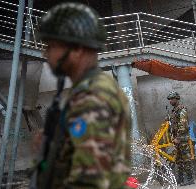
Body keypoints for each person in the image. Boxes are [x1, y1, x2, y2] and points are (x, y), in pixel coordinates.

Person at [32, 2, 132, 189]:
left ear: (77, 49)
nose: (46, 53)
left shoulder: (92, 98)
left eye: (51, 46)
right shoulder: (86, 91)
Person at [166, 91, 194, 186]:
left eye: (172, 99)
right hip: (177, 139)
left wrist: (178, 138)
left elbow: (183, 125)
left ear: (177, 99)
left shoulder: (182, 110)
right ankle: (181, 179)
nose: (170, 101)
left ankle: (189, 179)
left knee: (186, 159)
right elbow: (174, 125)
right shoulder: (174, 111)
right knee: (179, 160)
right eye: (170, 99)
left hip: (182, 139)